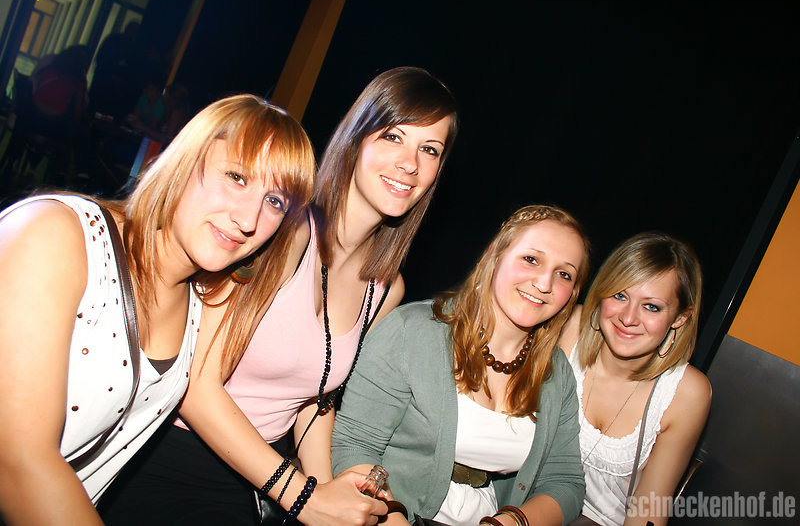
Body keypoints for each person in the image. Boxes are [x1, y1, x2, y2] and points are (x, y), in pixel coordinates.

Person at [99, 66, 459, 525]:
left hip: (262, 480)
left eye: (430, 149)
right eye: (393, 137)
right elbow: (196, 384)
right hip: (175, 458)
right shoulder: (283, 231)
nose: (410, 163)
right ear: (356, 138)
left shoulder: (386, 288)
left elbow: (312, 398)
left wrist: (329, 493)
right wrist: (305, 496)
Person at [0, 94, 316, 525]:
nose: (248, 219)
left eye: (275, 201)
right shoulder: (57, 235)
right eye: (236, 176)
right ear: (185, 160)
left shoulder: (201, 303)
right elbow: (17, 461)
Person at [332, 204, 591, 526]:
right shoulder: (411, 331)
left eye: (564, 274)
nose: (544, 283)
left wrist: (509, 523)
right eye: (531, 259)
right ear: (496, 254)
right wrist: (392, 519)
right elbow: (355, 444)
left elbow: (564, 481)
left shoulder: (556, 373)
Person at [557, 232, 712, 526]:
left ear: (680, 317)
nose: (628, 318)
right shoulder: (570, 328)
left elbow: (649, 511)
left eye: (651, 306)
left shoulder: (685, 392)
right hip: (522, 499)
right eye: (620, 295)